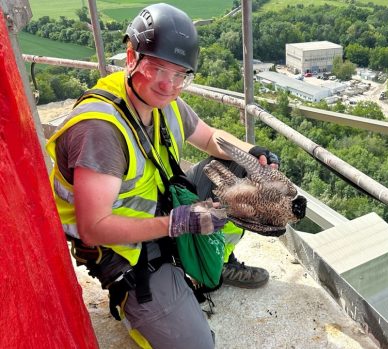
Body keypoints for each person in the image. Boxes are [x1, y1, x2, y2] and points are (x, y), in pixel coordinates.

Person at [46, 3, 278, 348]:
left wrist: (253, 154)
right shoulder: (99, 131)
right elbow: (94, 229)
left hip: (164, 210)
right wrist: (177, 224)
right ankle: (134, 305)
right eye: (157, 68)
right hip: (124, 247)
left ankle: (214, 262)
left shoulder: (163, 101)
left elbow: (210, 137)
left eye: (180, 74)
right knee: (197, 345)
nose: (168, 85)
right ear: (131, 57)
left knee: (242, 170)